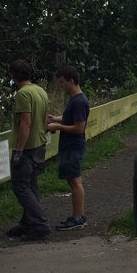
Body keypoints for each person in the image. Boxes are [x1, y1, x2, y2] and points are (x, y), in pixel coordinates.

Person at [5, 59, 51, 240]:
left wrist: (18, 150)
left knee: (21, 187)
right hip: (39, 144)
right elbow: (46, 118)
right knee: (31, 185)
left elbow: (25, 123)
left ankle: (40, 223)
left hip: (27, 148)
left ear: (12, 76)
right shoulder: (40, 90)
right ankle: (28, 222)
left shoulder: (23, 94)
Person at [46, 65, 89, 230]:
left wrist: (57, 126)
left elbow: (79, 128)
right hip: (70, 146)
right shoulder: (75, 100)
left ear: (71, 80)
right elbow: (70, 119)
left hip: (73, 146)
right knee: (72, 180)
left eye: (63, 82)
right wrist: (56, 118)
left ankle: (78, 217)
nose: (61, 85)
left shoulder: (78, 102)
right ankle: (77, 214)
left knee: (75, 181)